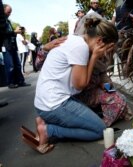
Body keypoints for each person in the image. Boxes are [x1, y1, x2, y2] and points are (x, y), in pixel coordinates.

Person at [21, 17, 118, 154]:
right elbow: (80, 85)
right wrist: (95, 56)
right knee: (99, 129)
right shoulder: (81, 48)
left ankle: (44, 121)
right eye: (108, 49)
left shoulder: (75, 40)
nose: (107, 54)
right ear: (100, 42)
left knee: (90, 117)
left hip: (47, 101)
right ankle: (48, 131)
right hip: (53, 104)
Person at [2, 4, 30, 88]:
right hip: (6, 46)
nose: (10, 13)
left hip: (13, 45)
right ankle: (10, 83)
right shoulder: (1, 21)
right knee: (10, 65)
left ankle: (20, 81)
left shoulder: (8, 21)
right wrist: (14, 32)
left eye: (10, 12)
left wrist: (17, 32)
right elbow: (3, 34)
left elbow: (11, 34)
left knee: (17, 64)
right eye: (8, 12)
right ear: (3, 10)